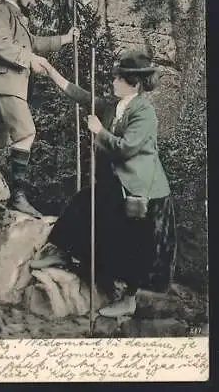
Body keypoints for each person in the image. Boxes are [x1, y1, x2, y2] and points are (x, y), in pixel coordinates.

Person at [30, 49, 177, 318]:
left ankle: (129, 300)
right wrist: (50, 70)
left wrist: (99, 131)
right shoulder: (113, 105)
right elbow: (79, 94)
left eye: (118, 79)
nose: (112, 82)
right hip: (118, 183)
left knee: (135, 243)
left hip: (142, 189)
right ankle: (62, 252)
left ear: (134, 84)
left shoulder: (145, 113)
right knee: (83, 204)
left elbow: (127, 148)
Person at [0, 0, 79, 218]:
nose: (33, 2)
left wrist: (65, 38)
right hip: (4, 83)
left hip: (4, 83)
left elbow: (34, 43)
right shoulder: (0, 10)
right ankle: (18, 198)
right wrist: (29, 59)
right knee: (27, 132)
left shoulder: (18, 18)